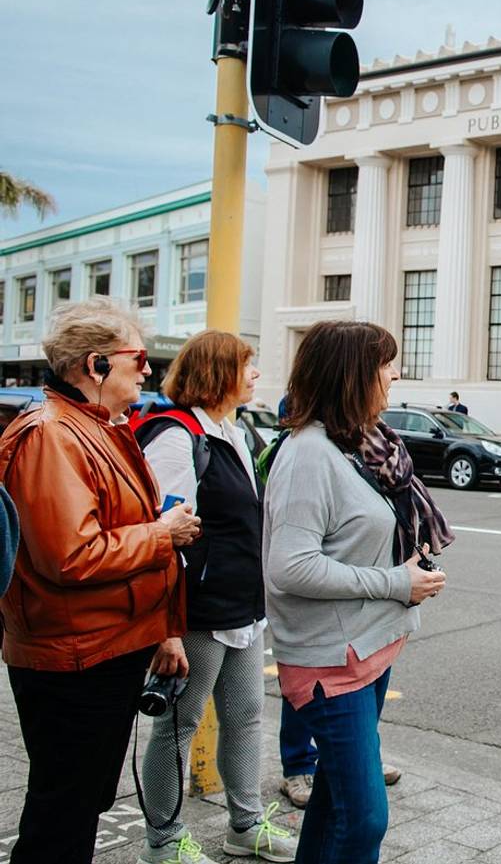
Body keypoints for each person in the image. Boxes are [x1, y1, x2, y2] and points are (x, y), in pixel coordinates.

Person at [0, 298, 199, 864]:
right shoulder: (53, 435)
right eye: (138, 358)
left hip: (99, 647)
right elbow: (71, 555)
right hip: (74, 656)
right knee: (63, 809)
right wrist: (163, 533)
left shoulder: (94, 428)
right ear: (95, 365)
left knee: (75, 803)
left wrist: (163, 627)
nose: (148, 371)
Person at [264, 320, 453, 862]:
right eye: (384, 364)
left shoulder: (356, 445)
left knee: (333, 802)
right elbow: (291, 567)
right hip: (331, 663)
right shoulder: (309, 454)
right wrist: (397, 582)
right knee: (366, 818)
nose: (393, 374)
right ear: (352, 375)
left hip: (368, 651)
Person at [135, 331, 297, 864]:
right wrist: (167, 627)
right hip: (197, 613)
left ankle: (245, 825)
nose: (255, 376)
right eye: (247, 366)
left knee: (247, 715)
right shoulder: (178, 437)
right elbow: (160, 535)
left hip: (242, 606)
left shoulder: (233, 431)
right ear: (217, 374)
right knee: (177, 726)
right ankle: (162, 843)